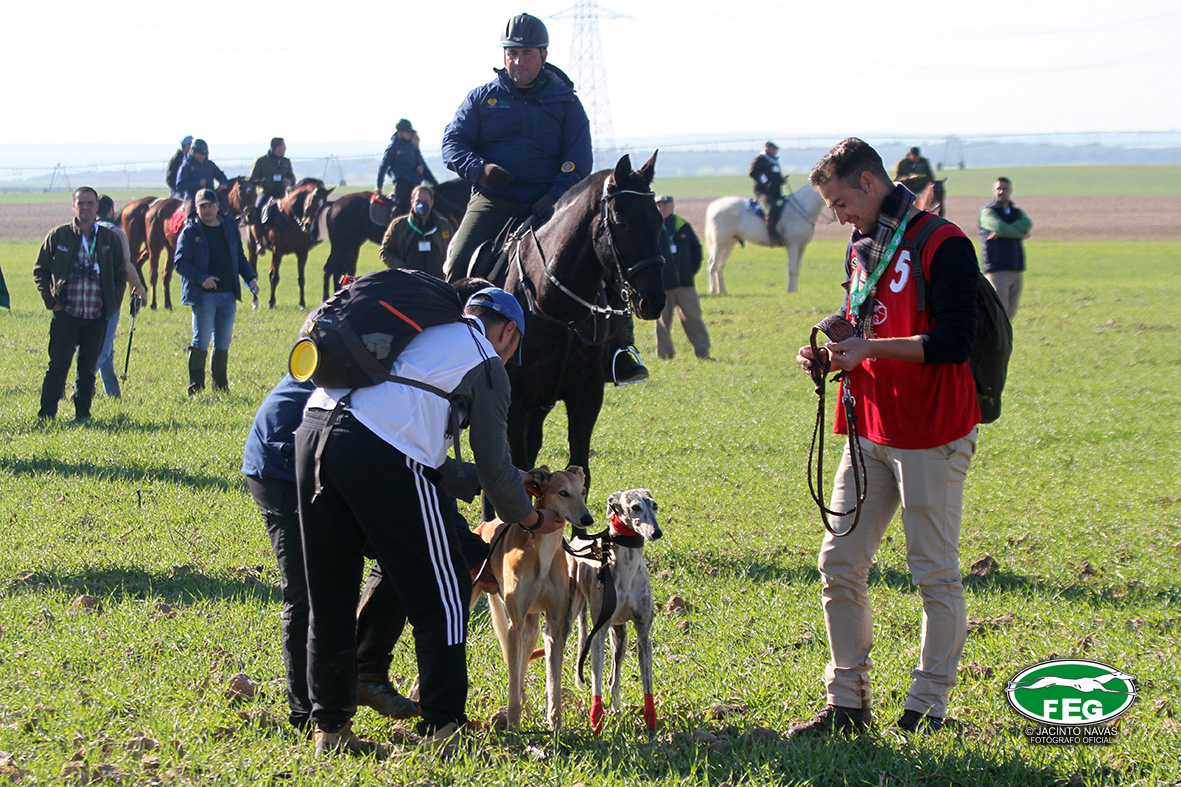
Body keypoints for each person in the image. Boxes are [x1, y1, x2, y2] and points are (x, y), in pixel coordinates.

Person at [295, 286, 564, 757]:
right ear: (508, 332)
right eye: (513, 348)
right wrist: (531, 517)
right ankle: (444, 729)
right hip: (381, 451)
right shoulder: (485, 357)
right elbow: (494, 473)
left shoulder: (425, 334)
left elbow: (433, 453)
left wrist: (511, 479)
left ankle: (331, 732)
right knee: (445, 590)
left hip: (314, 434)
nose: (508, 358)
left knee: (331, 595)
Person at [790, 138, 980, 738]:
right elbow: (870, 322)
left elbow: (956, 342)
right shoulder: (860, 247)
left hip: (930, 431)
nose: (837, 216)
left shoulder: (943, 243)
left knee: (933, 572)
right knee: (839, 562)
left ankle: (928, 708)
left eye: (841, 202)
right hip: (867, 427)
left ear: (870, 183)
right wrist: (835, 354)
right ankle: (847, 703)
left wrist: (868, 348)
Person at [242, 375, 422, 736]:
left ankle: (365, 669)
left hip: (338, 461)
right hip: (284, 464)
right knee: (309, 592)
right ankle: (308, 715)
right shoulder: (388, 357)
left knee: (406, 557)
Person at [440, 12, 592, 282]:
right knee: (458, 262)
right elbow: (452, 143)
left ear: (544, 54)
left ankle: (617, 311)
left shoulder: (567, 103)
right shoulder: (481, 98)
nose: (519, 61)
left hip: (552, 203)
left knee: (597, 264)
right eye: (512, 53)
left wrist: (556, 194)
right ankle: (455, 310)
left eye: (527, 53)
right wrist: (480, 170)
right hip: (493, 201)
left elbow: (578, 160)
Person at [33, 187, 128, 421]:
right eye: (81, 203)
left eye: (89, 203)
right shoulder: (59, 236)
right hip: (66, 313)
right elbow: (40, 270)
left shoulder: (109, 239)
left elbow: (120, 274)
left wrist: (111, 305)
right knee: (58, 366)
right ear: (73, 206)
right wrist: (51, 302)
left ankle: (82, 415)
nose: (85, 207)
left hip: (96, 315)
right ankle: (47, 415)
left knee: (87, 369)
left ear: (97, 207)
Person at [174, 189, 258, 394]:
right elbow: (180, 263)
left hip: (228, 294)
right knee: (201, 340)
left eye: (210, 205)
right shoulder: (190, 231)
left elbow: (239, 255)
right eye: (202, 206)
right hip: (204, 297)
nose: (207, 210)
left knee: (223, 342)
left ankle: (220, 386)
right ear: (196, 209)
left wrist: (250, 277)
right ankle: (196, 386)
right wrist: (202, 278)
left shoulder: (228, 226)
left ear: (217, 206)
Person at [92, 195, 146, 398]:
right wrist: (138, 286)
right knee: (104, 347)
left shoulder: (87, 231)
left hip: (86, 295)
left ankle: (113, 394)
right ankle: (82, 385)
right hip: (109, 295)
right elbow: (125, 264)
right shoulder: (115, 232)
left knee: (107, 347)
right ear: (110, 210)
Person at [653, 195, 709, 360]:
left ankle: (703, 352)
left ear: (672, 206)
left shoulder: (683, 226)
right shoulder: (652, 228)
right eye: (659, 205)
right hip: (663, 286)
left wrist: (690, 270)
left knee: (694, 319)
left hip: (685, 285)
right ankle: (664, 355)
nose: (662, 208)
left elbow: (696, 249)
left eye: (666, 205)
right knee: (662, 322)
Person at [978, 176, 1032, 317]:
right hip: (997, 270)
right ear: (994, 190)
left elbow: (1027, 224)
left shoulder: (1016, 212)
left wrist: (1005, 232)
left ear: (1010, 190)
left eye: (1005, 188)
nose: (1001, 192)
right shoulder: (988, 212)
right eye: (998, 189)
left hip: (1016, 268)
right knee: (997, 314)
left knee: (1009, 316)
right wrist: (1020, 234)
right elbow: (1000, 228)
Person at [378, 185, 454, 280]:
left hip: (437, 281)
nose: (422, 205)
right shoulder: (399, 225)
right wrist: (403, 269)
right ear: (412, 202)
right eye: (418, 201)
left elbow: (452, 251)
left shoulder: (443, 225)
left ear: (432, 202)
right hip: (409, 281)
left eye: (426, 201)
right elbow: (385, 252)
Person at [377, 119, 438, 217]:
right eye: (407, 132)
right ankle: (395, 223)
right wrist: (379, 186)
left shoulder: (412, 147)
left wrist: (434, 183)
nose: (410, 135)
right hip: (401, 183)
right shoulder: (393, 148)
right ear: (400, 133)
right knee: (399, 205)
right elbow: (383, 167)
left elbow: (420, 162)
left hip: (415, 183)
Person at [175, 139, 229, 215]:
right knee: (190, 219)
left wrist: (223, 183)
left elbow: (221, 176)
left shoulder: (210, 165)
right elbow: (180, 186)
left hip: (211, 198)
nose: (203, 156)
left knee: (224, 217)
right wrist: (198, 184)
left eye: (204, 154)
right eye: (200, 154)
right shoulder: (186, 166)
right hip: (192, 198)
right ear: (193, 152)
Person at [749, 141, 785, 245]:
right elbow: (753, 173)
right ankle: (772, 236)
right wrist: (765, 181)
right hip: (763, 193)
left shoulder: (774, 161)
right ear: (767, 148)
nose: (775, 152)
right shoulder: (760, 160)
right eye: (774, 149)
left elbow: (775, 176)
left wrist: (781, 180)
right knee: (770, 210)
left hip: (776, 193)